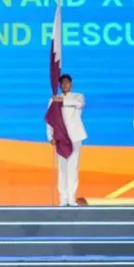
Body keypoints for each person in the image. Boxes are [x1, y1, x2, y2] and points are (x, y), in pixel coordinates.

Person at [46, 74, 87, 207]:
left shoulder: (78, 97)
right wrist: (50, 136)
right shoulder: (53, 100)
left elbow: (80, 104)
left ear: (71, 84)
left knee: (73, 169)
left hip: (75, 137)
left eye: (67, 82)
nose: (65, 85)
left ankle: (71, 198)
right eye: (63, 83)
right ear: (59, 85)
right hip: (60, 137)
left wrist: (61, 101)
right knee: (62, 169)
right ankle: (63, 199)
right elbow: (50, 120)